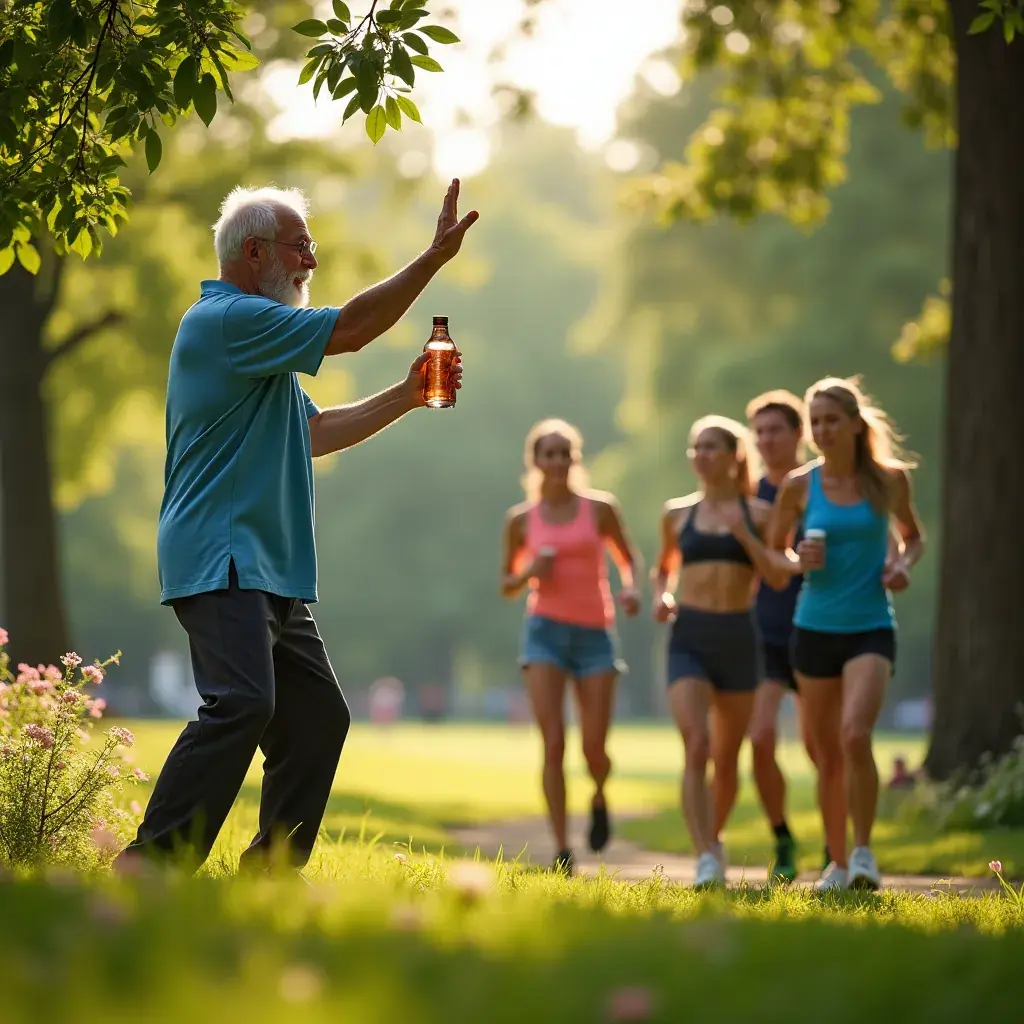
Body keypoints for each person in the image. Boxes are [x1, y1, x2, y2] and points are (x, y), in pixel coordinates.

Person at [117, 180, 478, 873]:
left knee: (317, 719)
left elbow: (313, 431)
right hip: (222, 553)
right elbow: (349, 330)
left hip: (268, 565)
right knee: (244, 701)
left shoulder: (260, 345)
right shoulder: (225, 320)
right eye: (300, 245)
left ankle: (270, 875)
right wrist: (430, 260)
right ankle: (150, 865)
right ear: (253, 252)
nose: (312, 259)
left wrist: (406, 396)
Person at [767, 376, 924, 891]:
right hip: (813, 629)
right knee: (827, 752)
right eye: (815, 421)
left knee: (855, 735)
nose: (822, 429)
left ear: (856, 425)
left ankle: (863, 853)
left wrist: (901, 565)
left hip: (870, 626)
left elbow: (913, 538)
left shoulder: (889, 480)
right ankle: (835, 863)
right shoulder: (798, 485)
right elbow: (773, 557)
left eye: (832, 419)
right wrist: (796, 560)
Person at [500, 419, 642, 875]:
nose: (559, 462)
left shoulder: (599, 509)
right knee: (554, 742)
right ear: (536, 461)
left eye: (566, 454)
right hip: (544, 633)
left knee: (594, 749)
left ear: (575, 460)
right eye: (550, 454)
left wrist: (634, 588)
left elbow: (628, 558)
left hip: (594, 635)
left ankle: (599, 794)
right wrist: (529, 572)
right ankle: (562, 848)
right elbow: (506, 584)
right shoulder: (521, 520)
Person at [652, 415, 783, 888]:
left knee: (727, 760)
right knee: (697, 746)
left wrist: (744, 535)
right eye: (696, 448)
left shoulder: (761, 514)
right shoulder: (676, 514)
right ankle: (706, 855)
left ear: (734, 457)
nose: (701, 456)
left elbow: (776, 575)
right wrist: (661, 596)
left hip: (738, 637)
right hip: (690, 635)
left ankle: (715, 837)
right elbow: (663, 569)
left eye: (711, 447)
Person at [745, 390, 825, 882]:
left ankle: (839, 843)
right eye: (759, 431)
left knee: (822, 747)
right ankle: (782, 835)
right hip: (763, 631)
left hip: (819, 626)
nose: (766, 439)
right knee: (759, 738)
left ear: (799, 434)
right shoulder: (747, 496)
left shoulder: (823, 487)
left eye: (776, 429)